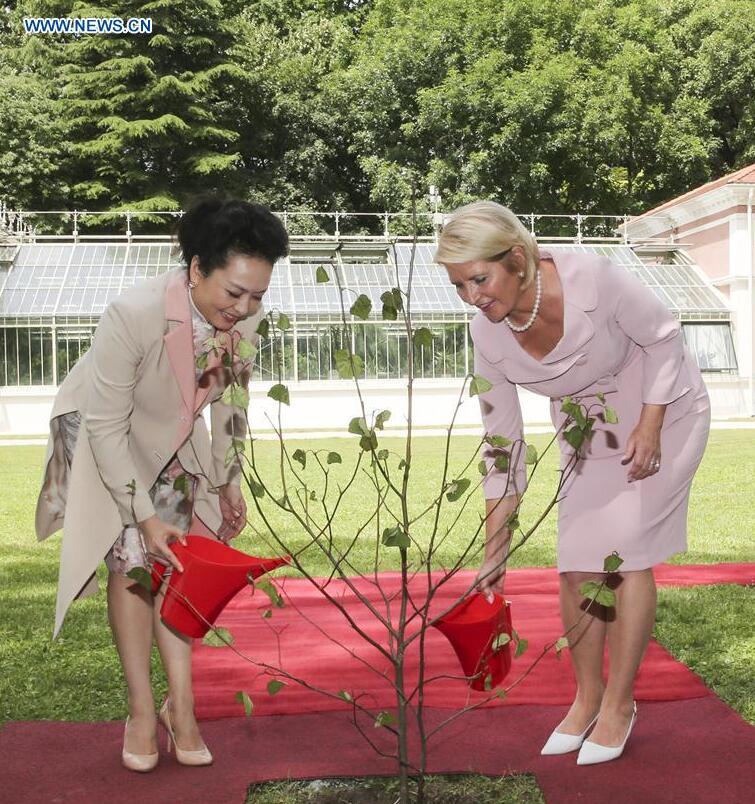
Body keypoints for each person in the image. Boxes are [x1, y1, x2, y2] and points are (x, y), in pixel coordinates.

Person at [435, 201, 710, 765]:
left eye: (479, 279)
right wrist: (493, 554)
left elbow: (663, 335)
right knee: (577, 562)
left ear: (517, 259)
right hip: (589, 429)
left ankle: (619, 704)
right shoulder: (487, 337)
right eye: (459, 285)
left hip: (662, 408)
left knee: (623, 554)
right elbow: (502, 443)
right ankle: (585, 700)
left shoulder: (594, 279)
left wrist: (650, 425)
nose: (472, 297)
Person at [35, 197, 289, 771]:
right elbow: (106, 424)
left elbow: (228, 404)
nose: (245, 307)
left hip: (170, 436)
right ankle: (142, 710)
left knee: (172, 564)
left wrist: (227, 478)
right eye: (234, 293)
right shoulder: (135, 311)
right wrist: (143, 515)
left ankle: (185, 708)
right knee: (132, 557)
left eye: (258, 295)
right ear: (197, 268)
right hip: (101, 431)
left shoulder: (244, 319)